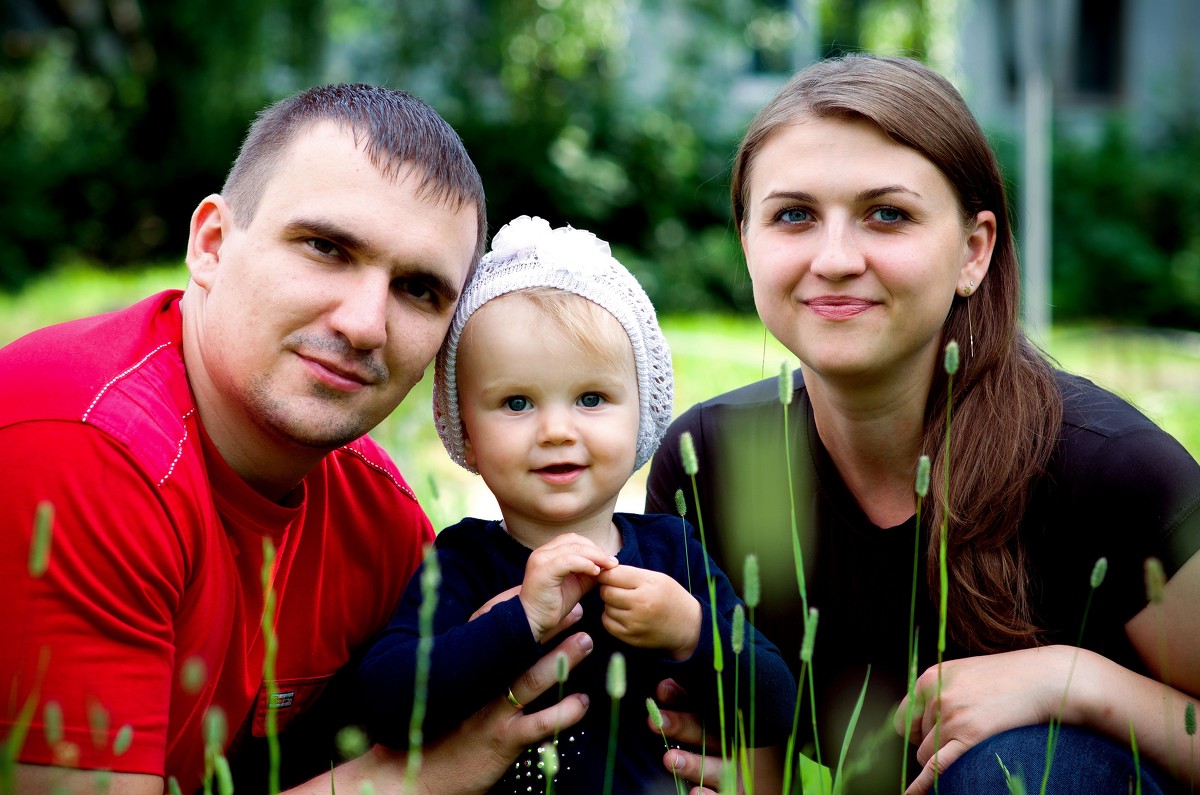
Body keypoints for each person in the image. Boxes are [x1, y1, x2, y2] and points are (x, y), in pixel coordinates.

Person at [0, 84, 597, 795]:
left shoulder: (378, 518)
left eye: (418, 289)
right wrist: (413, 782)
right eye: (325, 247)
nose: (365, 323)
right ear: (212, 244)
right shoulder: (86, 445)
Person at [645, 54, 1200, 794]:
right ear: (748, 241)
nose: (836, 258)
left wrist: (1079, 683)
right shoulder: (709, 460)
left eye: (888, 214)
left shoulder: (1111, 469)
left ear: (974, 251)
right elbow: (720, 742)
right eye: (794, 215)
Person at [357, 215, 797, 794]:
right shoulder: (463, 562)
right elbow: (384, 704)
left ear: (642, 410)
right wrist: (517, 623)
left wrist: (689, 631)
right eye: (517, 403)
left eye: (591, 398)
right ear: (465, 428)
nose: (558, 430)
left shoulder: (672, 552)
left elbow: (777, 708)